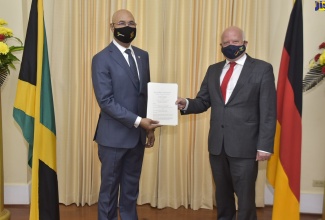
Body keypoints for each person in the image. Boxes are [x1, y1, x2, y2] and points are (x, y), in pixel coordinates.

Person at [176, 26, 276, 220]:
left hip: (246, 146)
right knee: (222, 196)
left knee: (245, 199)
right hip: (217, 145)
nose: (231, 45)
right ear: (220, 46)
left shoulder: (262, 69)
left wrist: (264, 146)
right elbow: (203, 101)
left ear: (245, 43)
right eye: (226, 43)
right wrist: (185, 103)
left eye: (235, 42)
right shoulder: (213, 70)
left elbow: (268, 111)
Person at [92, 9, 161, 220]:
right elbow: (106, 101)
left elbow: (145, 95)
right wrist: (140, 122)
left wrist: (148, 130)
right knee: (109, 192)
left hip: (137, 138)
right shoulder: (101, 59)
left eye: (131, 23)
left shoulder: (143, 55)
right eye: (121, 23)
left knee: (131, 191)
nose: (127, 27)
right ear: (112, 28)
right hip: (113, 138)